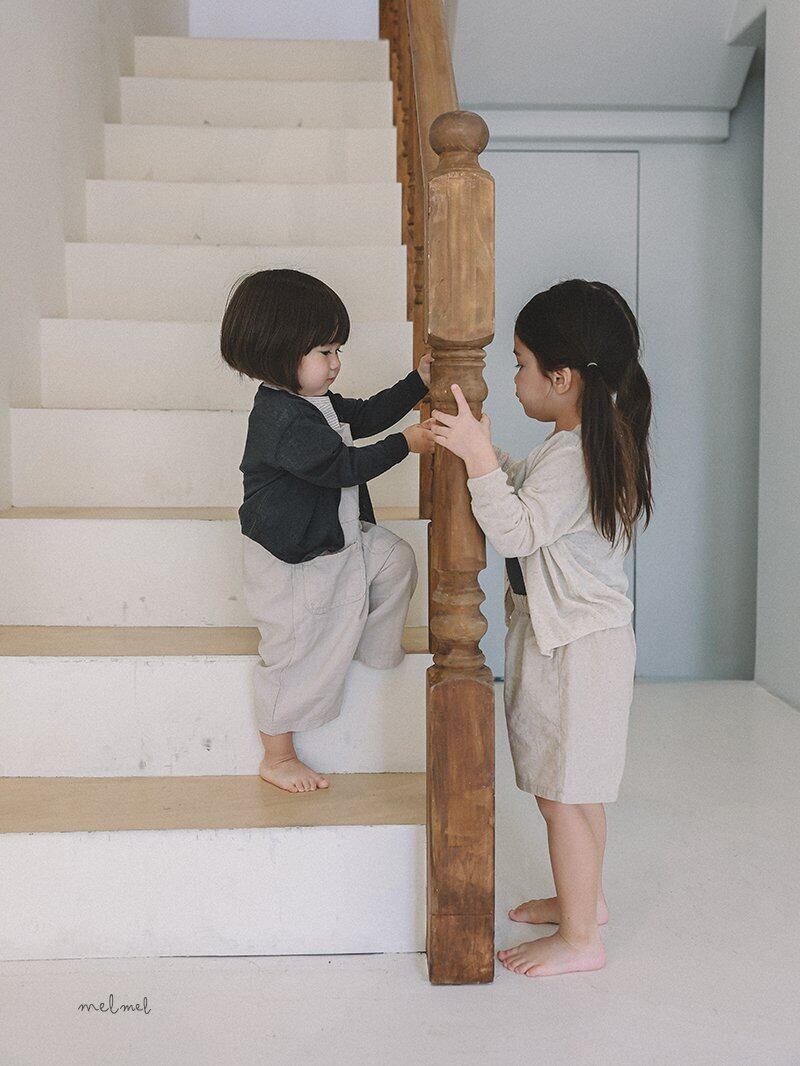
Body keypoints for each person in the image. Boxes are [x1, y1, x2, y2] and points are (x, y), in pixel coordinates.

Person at [431, 279, 653, 978]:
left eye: (521, 364)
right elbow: (527, 488)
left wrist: (477, 458)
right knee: (578, 790)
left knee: (562, 797)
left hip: (573, 651)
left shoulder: (576, 456)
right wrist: (484, 451)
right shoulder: (581, 443)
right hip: (583, 644)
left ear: (561, 379)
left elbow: (516, 530)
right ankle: (585, 901)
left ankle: (581, 938)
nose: (514, 377)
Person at [220, 268, 435, 794]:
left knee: (396, 561)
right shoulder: (281, 419)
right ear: (278, 353)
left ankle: (372, 652)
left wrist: (419, 383)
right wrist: (406, 444)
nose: (336, 363)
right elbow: (342, 466)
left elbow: (365, 416)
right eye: (324, 352)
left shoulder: (311, 400)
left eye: (337, 350)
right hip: (293, 558)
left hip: (335, 535)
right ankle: (277, 755)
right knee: (293, 652)